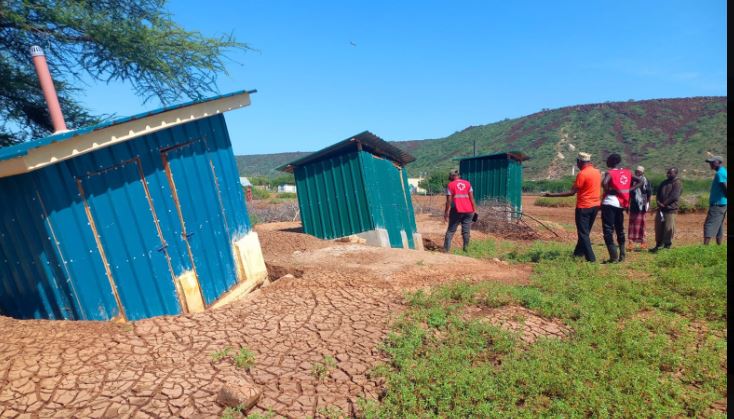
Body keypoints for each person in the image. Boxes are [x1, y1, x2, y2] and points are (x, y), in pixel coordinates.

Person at [542, 152, 601, 262]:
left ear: (579, 162)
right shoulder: (597, 172)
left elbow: (572, 192)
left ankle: (591, 259)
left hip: (583, 207)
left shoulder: (582, 174)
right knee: (585, 233)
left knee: (583, 234)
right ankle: (577, 254)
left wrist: (551, 195)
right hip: (595, 206)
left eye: (577, 162)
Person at [600, 153, 638, 263]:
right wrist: (630, 190)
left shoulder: (610, 172)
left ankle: (613, 257)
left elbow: (604, 183)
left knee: (608, 230)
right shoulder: (627, 172)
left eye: (607, 160)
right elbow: (640, 181)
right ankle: (622, 255)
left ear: (611, 162)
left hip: (609, 202)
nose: (606, 162)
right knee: (619, 229)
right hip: (621, 203)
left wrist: (608, 190)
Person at [443, 169, 477, 252]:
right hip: (469, 211)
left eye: (450, 176)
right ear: (459, 175)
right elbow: (472, 198)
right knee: (466, 231)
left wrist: (446, 212)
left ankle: (446, 251)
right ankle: (466, 250)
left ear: (451, 176)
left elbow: (449, 201)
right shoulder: (467, 183)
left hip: (456, 210)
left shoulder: (450, 185)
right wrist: (475, 210)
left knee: (451, 231)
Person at [650, 167, 682, 252]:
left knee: (668, 228)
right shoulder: (664, 182)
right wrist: (658, 203)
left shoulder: (677, 183)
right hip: (661, 209)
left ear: (675, 173)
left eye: (670, 173)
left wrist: (664, 204)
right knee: (659, 227)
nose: (668, 174)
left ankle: (667, 246)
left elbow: (674, 196)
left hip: (670, 209)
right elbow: (658, 194)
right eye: (667, 173)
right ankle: (658, 245)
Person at [703, 156, 727, 245]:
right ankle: (719, 247)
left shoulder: (720, 173)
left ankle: (704, 249)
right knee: (719, 226)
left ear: (719, 162)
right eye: (710, 162)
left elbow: (725, 188)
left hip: (717, 205)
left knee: (708, 225)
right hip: (722, 204)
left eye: (713, 162)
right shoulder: (723, 171)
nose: (710, 164)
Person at [627, 166, 652, 250]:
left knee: (642, 224)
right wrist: (627, 204)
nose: (637, 172)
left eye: (639, 171)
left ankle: (643, 242)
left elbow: (649, 193)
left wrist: (648, 203)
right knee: (632, 224)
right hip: (634, 204)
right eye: (636, 171)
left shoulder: (646, 181)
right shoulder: (632, 181)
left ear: (642, 172)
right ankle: (631, 242)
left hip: (642, 205)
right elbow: (629, 193)